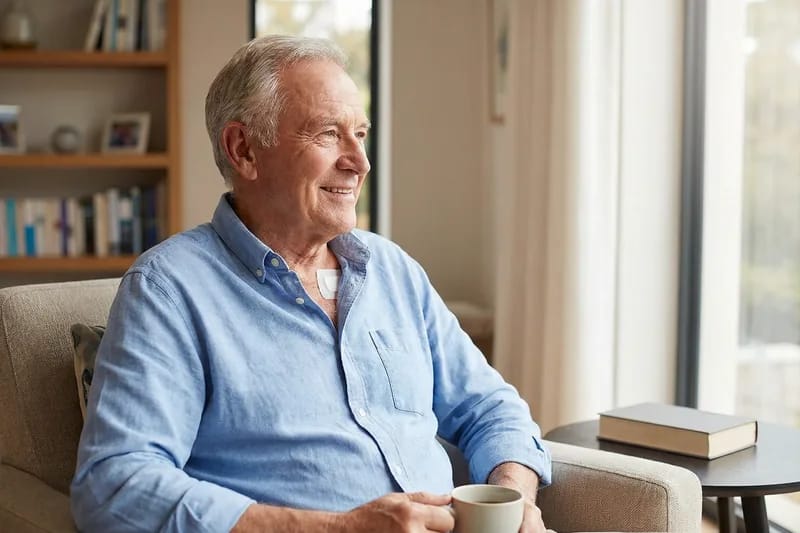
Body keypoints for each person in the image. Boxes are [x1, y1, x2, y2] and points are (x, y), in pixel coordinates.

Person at [71, 35, 552, 533]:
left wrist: (513, 500)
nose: (360, 162)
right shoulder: (169, 291)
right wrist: (337, 529)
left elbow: (491, 408)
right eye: (327, 134)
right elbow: (114, 485)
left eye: (360, 134)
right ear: (243, 150)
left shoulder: (392, 271)